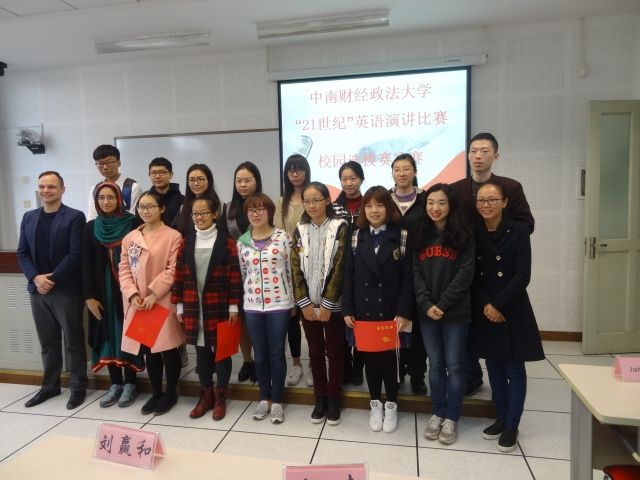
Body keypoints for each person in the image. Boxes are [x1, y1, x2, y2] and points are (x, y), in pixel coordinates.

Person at [450, 132, 535, 396]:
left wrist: (497, 237)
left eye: (484, 151)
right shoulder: (456, 189)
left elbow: (527, 224)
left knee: (499, 337)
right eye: (473, 151)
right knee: (469, 328)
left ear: (495, 156)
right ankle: (471, 376)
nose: (478, 156)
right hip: (466, 268)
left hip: (500, 270)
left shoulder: (510, 187)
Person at [471, 181, 544, 453]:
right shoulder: (473, 231)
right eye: (481, 200)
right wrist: (486, 305)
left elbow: (522, 274)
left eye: (492, 200)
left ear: (504, 202)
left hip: (512, 307)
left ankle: (512, 424)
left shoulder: (519, 230)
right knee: (494, 365)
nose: (486, 205)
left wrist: (498, 305)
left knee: (514, 368)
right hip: (485, 308)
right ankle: (501, 417)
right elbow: (471, 275)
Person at [342, 186, 412, 433]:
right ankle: (375, 404)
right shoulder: (356, 235)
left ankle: (391, 405)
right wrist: (348, 308)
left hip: (392, 311)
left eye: (379, 205)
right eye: (369, 205)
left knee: (391, 361)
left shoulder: (401, 235)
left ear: (388, 208)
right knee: (371, 360)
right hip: (364, 310)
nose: (374, 210)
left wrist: (404, 310)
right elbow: (349, 276)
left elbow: (408, 278)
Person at [17, 171, 88, 410]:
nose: (46, 191)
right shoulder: (29, 217)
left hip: (65, 289)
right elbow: (22, 253)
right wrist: (35, 278)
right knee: (47, 342)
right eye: (42, 186)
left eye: (51, 187)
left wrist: (52, 279)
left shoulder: (75, 217)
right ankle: (50, 386)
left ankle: (78, 387)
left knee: (73, 341)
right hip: (38, 290)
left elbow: (75, 254)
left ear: (62, 189)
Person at [413, 184, 475, 445]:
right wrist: (426, 304)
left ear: (451, 206)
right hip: (427, 313)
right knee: (436, 365)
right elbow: (415, 273)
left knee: (455, 365)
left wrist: (443, 304)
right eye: (430, 203)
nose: (435, 208)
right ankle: (438, 412)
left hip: (455, 313)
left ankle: (452, 417)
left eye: (441, 203)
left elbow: (466, 274)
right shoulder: (420, 233)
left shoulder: (464, 234)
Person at [172, 196, 241, 421]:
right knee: (201, 351)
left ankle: (221, 395)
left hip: (218, 304)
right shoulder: (186, 242)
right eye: (195, 213)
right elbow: (179, 276)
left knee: (222, 351)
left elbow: (235, 276)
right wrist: (179, 305)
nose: (199, 217)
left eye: (203, 213)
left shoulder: (226, 242)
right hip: (194, 304)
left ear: (214, 214)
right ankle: (206, 394)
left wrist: (233, 306)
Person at [119, 191, 184, 416]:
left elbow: (173, 269)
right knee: (149, 351)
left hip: (161, 300)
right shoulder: (130, 238)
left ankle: (171, 393)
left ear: (162, 209)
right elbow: (124, 269)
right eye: (142, 207)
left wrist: (154, 294)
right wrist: (131, 294)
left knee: (168, 349)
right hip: (139, 302)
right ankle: (156, 393)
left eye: (150, 206)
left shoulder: (173, 236)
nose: (145, 211)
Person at [82, 182, 144, 408]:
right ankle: (115, 382)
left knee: (127, 333)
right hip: (101, 291)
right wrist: (89, 296)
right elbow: (85, 264)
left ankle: (131, 383)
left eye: (111, 197)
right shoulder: (90, 228)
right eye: (101, 198)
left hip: (128, 289)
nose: (106, 202)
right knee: (107, 333)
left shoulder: (133, 223)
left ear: (119, 199)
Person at [291, 182, 348, 425]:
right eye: (307, 201)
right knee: (314, 352)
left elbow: (340, 266)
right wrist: (303, 303)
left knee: (334, 351)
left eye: (316, 200)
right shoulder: (300, 228)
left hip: (332, 305)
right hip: (307, 305)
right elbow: (294, 266)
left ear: (327, 200)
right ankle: (320, 397)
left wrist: (327, 303)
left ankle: (334, 398)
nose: (311, 205)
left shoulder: (340, 226)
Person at [237, 193, 295, 424]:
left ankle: (277, 399)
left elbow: (290, 271)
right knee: (259, 355)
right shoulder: (242, 242)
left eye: (261, 209)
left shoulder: (283, 238)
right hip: (252, 306)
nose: (256, 213)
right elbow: (244, 274)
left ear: (270, 212)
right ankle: (264, 397)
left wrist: (293, 302)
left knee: (276, 353)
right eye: (251, 210)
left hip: (280, 304)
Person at [219, 162, 263, 384]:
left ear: (256, 181)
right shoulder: (227, 209)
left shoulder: (264, 205)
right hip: (235, 274)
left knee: (258, 320)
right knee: (243, 321)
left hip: (261, 274)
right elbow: (222, 240)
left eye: (247, 180)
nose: (243, 184)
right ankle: (248, 360)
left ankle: (262, 359)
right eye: (239, 180)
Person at [389, 153, 428, 396]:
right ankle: (398, 371)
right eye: (397, 169)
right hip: (391, 271)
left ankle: (417, 375)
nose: (402, 173)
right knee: (396, 323)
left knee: (418, 329)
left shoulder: (426, 199)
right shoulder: (385, 199)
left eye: (406, 168)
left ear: (414, 171)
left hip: (421, 269)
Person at [174, 163, 220, 368]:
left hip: (213, 270)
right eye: (192, 180)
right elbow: (177, 234)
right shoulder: (183, 207)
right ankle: (205, 367)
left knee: (216, 328)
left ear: (209, 181)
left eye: (200, 179)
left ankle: (218, 366)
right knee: (198, 327)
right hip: (191, 268)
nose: (196, 183)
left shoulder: (219, 205)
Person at [274, 154, 311, 387]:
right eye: (290, 170)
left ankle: (313, 363)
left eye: (299, 169)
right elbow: (278, 233)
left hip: (311, 266)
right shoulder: (281, 201)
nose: (295, 174)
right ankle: (296, 363)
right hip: (287, 267)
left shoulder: (313, 196)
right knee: (292, 318)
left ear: (306, 172)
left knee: (311, 317)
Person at [333, 161, 366, 386]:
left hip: (365, 270)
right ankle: (345, 364)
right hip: (340, 271)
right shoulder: (334, 207)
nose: (349, 183)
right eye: (344, 179)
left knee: (361, 320)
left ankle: (358, 367)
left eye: (353, 178)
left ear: (361, 179)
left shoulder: (370, 204)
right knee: (342, 321)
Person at [88, 144, 143, 220]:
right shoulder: (95, 189)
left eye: (109, 162)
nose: (105, 167)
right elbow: (92, 217)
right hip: (101, 227)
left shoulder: (132, 187)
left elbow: (135, 217)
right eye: (100, 163)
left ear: (119, 162)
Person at [148, 157, 184, 226]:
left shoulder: (182, 201)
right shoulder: (144, 200)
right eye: (153, 173)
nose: (157, 176)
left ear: (171, 174)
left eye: (161, 172)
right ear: (149, 175)